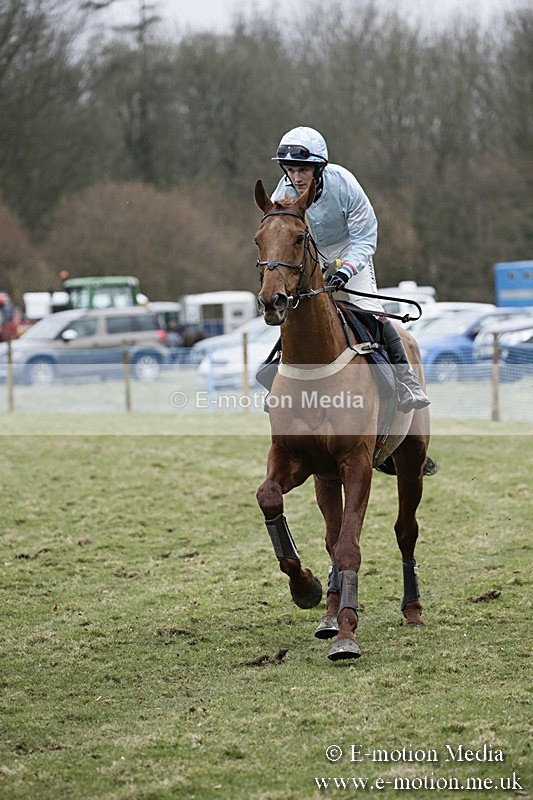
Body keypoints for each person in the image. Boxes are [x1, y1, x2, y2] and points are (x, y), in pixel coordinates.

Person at [271, 126, 430, 412]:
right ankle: (276, 374)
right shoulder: (282, 194)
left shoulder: (344, 184)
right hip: (310, 252)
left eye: (303, 170)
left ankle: (405, 381)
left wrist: (345, 270)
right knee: (295, 312)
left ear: (319, 168)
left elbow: (365, 238)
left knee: (372, 311)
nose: (296, 177)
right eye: (291, 170)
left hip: (349, 249)